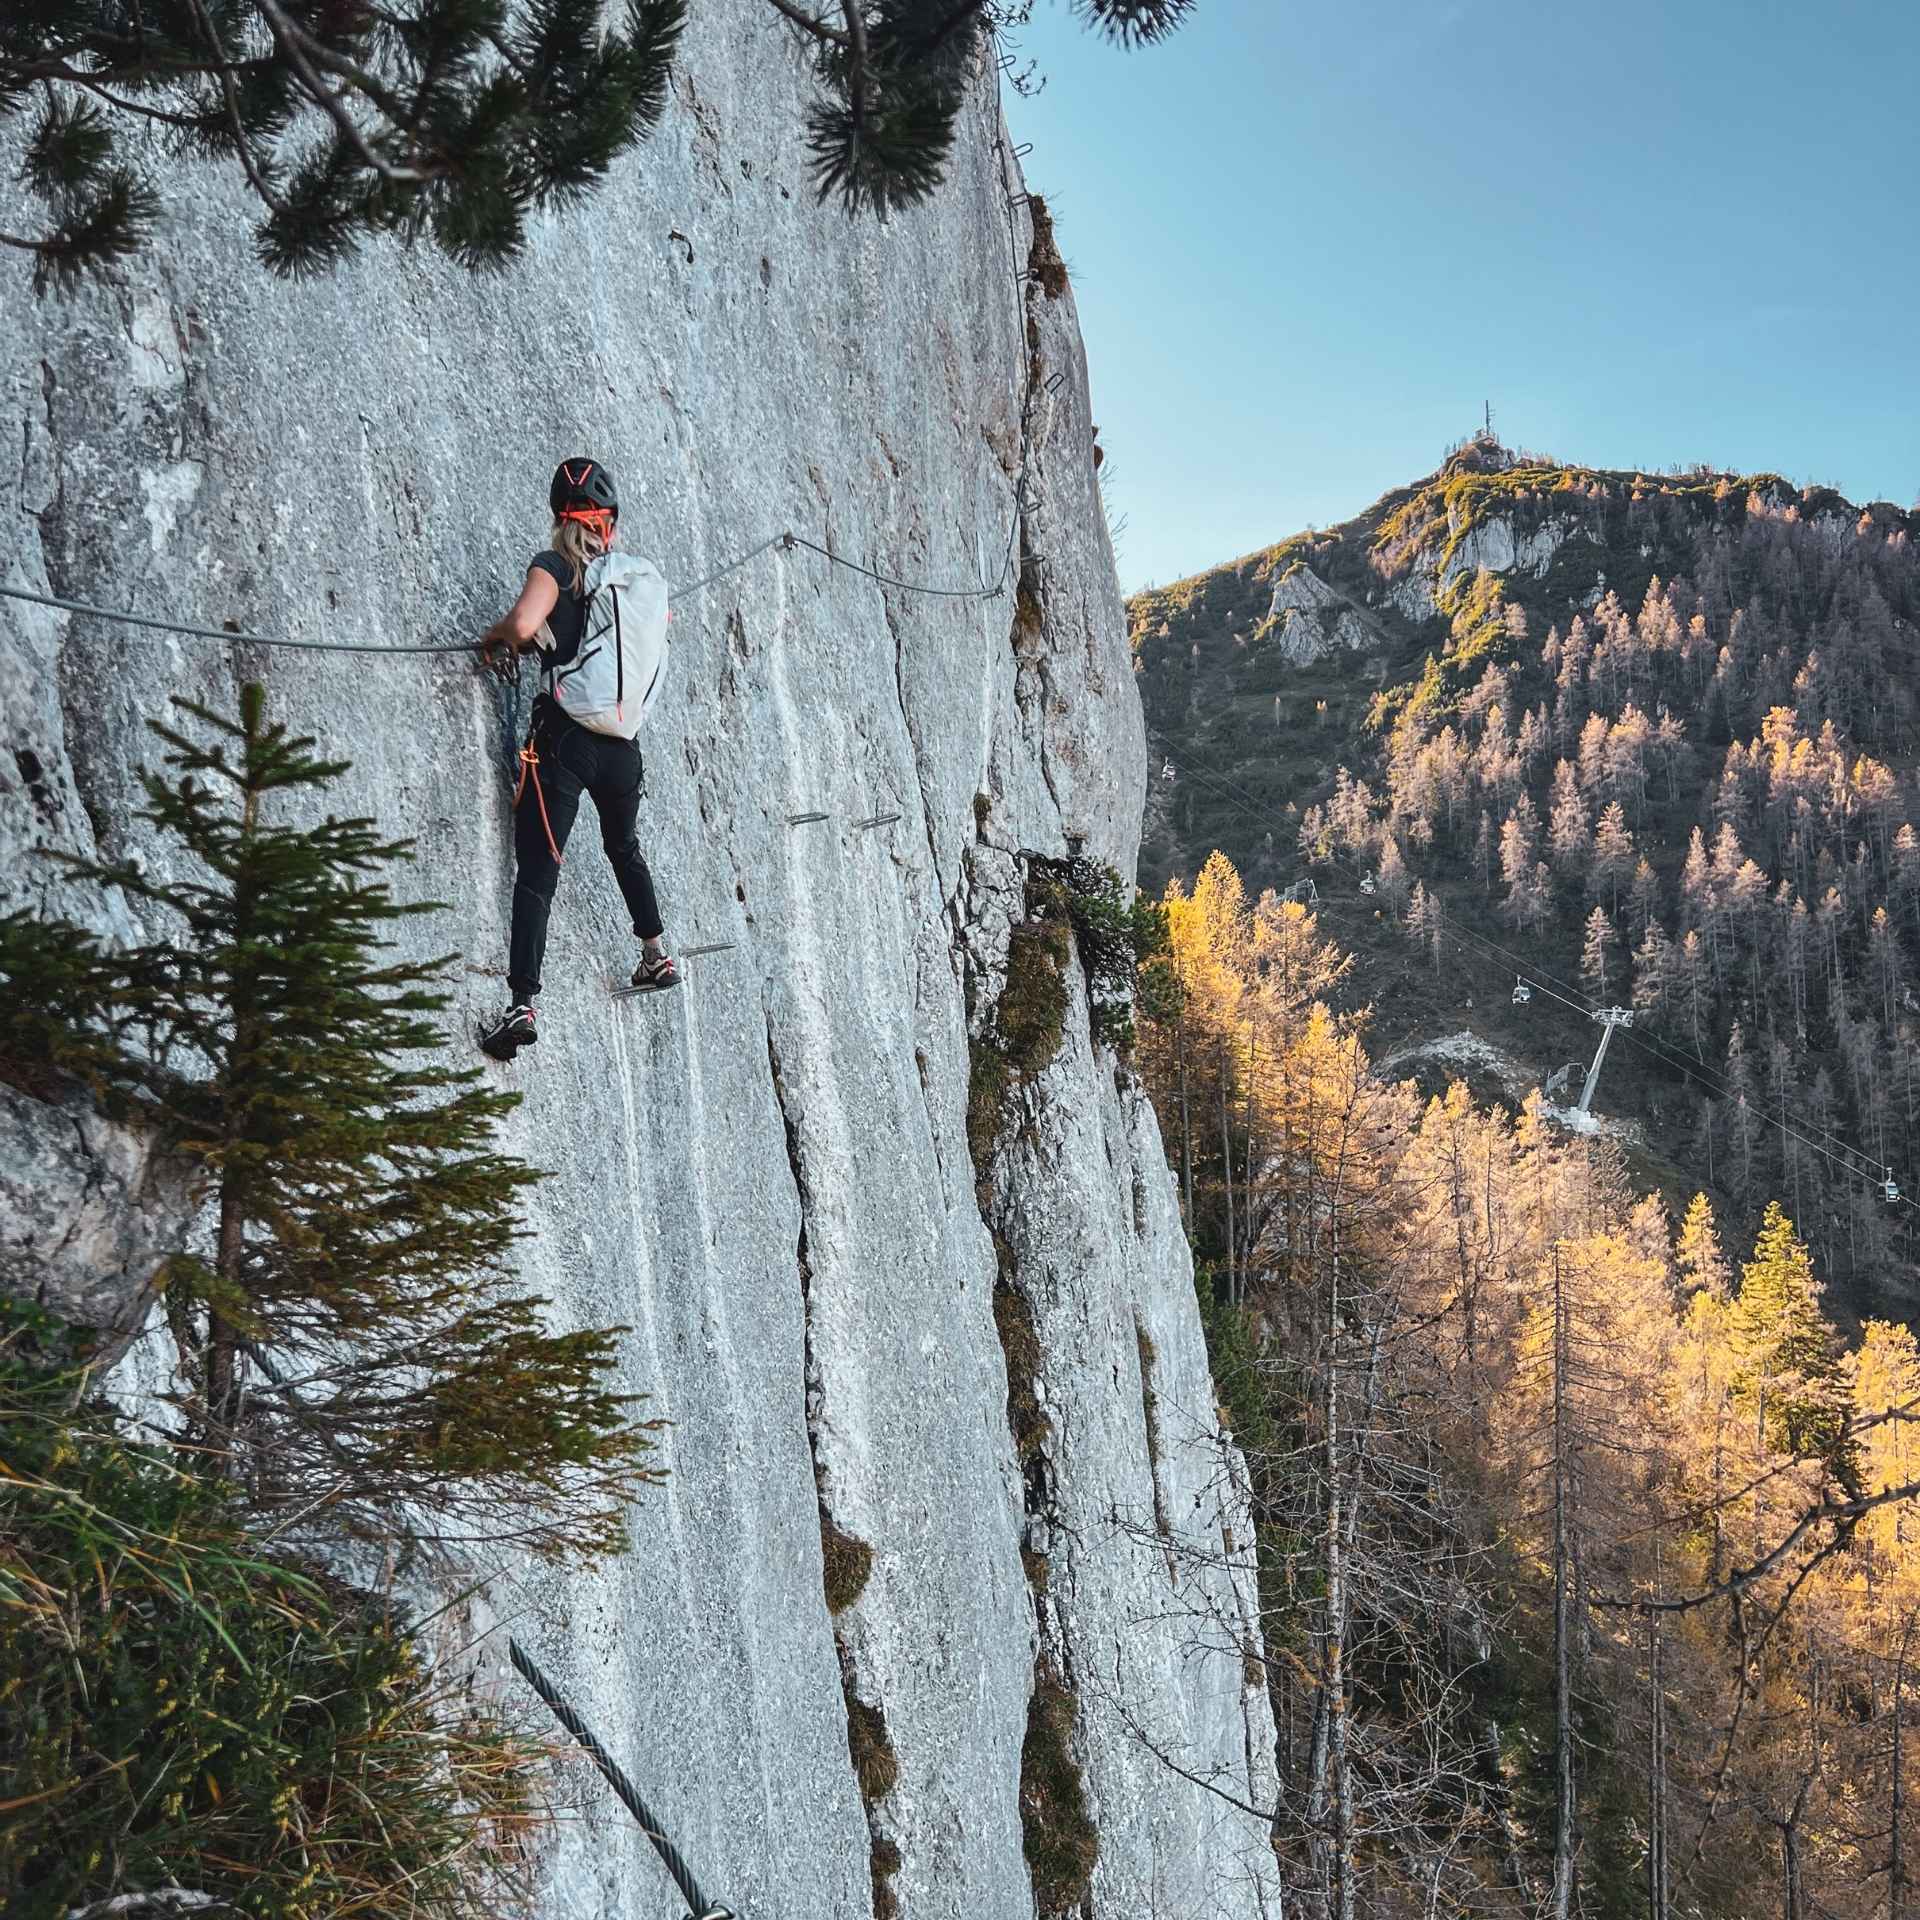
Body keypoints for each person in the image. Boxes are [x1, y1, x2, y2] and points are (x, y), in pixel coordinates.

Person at [476, 458, 676, 1060]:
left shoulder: (556, 566)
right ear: (606, 524)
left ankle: (521, 1004)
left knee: (539, 871)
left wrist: (496, 640)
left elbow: (524, 621)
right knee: (624, 849)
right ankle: (656, 953)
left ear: (559, 517)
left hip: (564, 742)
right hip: (623, 751)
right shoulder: (622, 585)